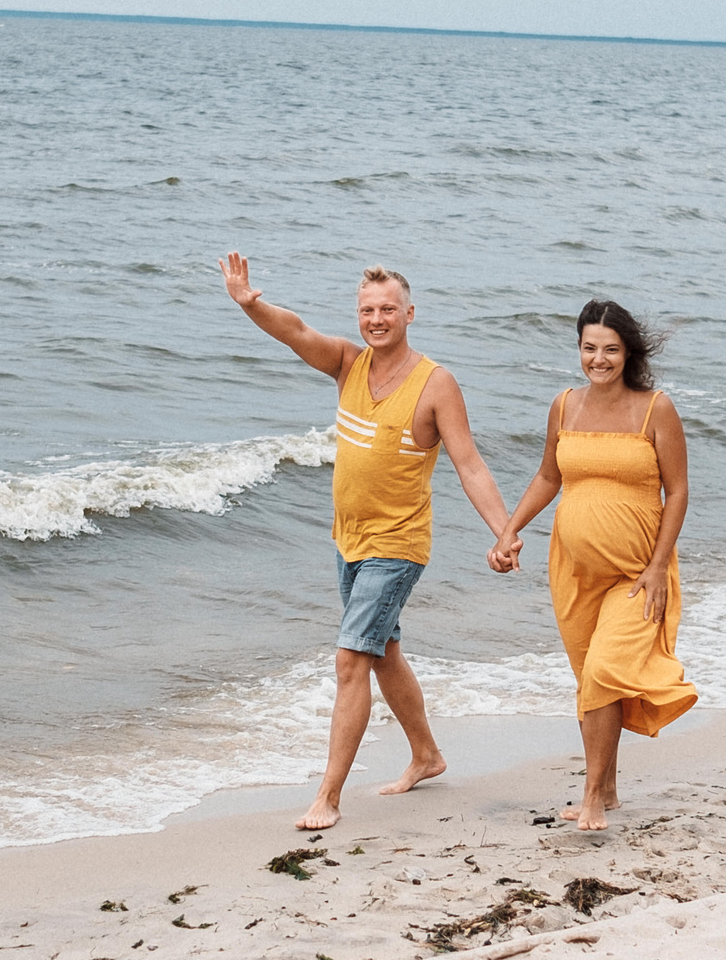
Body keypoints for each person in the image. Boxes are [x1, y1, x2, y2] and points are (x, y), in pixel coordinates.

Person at [220, 254, 515, 831]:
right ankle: (427, 755)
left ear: (410, 312)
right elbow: (296, 331)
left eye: (387, 310)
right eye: (366, 311)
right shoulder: (348, 364)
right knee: (383, 652)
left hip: (397, 544)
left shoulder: (437, 384)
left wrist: (504, 532)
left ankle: (327, 797)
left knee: (352, 656)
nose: (376, 320)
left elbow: (470, 464)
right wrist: (250, 303)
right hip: (348, 538)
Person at [491, 298, 696, 831]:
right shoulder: (565, 405)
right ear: (578, 349)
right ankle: (607, 785)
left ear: (628, 353)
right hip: (575, 569)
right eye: (589, 348)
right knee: (590, 680)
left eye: (610, 349)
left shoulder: (656, 409)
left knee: (606, 670)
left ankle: (591, 799)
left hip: (637, 571)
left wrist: (657, 567)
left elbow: (677, 493)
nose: (598, 359)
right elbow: (547, 478)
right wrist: (510, 531)